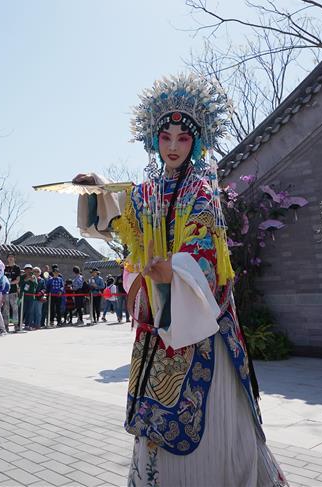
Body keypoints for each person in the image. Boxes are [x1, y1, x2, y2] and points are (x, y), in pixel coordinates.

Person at [73, 73, 287, 486]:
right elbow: (119, 223)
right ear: (154, 141)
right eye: (165, 137)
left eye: (182, 139)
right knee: (156, 419)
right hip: (159, 319)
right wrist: (95, 189)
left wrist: (177, 269)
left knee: (212, 418)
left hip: (202, 321)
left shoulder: (203, 191)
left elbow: (207, 252)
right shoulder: (144, 192)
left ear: (197, 143)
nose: (172, 146)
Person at [19, 264, 38, 330]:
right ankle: (19, 324)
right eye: (26, 269)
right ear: (24, 270)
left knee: (29, 311)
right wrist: (25, 280)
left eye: (29, 269)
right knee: (22, 310)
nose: (28, 271)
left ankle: (27, 325)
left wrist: (32, 281)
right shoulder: (22, 276)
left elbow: (36, 285)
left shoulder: (34, 277)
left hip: (31, 297)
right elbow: (19, 284)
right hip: (23, 296)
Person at [4, 254, 21, 328]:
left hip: (13, 291)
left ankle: (16, 324)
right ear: (7, 259)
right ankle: (5, 325)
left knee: (15, 308)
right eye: (9, 257)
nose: (10, 258)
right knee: (5, 308)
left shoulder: (17, 268)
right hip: (5, 291)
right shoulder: (5, 267)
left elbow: (17, 280)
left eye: (12, 257)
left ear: (14, 258)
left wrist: (9, 283)